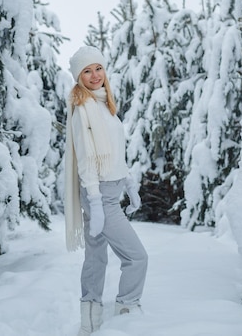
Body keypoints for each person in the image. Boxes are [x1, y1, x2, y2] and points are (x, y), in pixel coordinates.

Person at [64, 45, 148, 336]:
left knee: (96, 257)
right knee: (136, 257)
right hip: (98, 193)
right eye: (87, 71)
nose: (94, 75)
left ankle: (90, 323)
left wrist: (130, 183)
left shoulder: (104, 106)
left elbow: (116, 154)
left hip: (110, 190)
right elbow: (87, 161)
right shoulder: (83, 109)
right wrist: (97, 204)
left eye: (98, 68)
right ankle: (127, 311)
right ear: (79, 77)